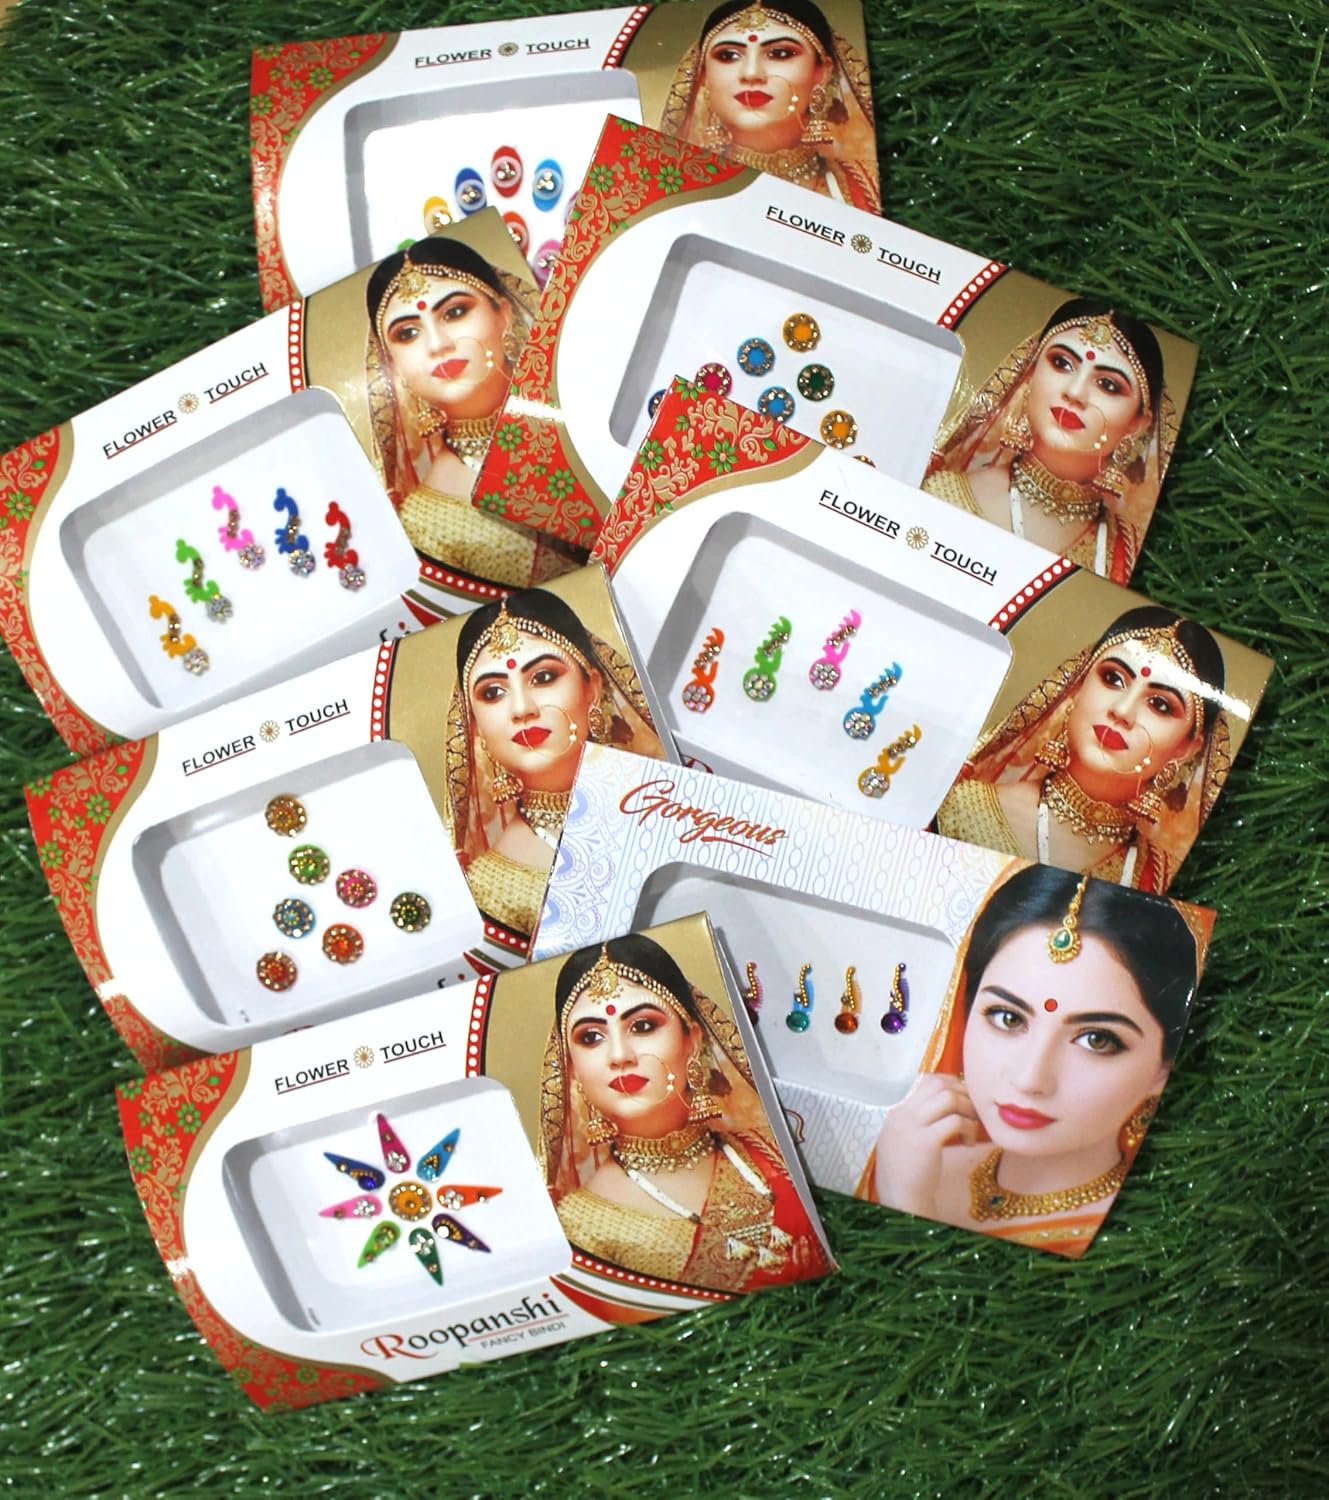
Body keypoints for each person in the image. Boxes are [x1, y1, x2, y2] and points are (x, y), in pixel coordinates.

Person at [861, 864, 1203, 1258]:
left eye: (1096, 1040)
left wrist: (905, 1202)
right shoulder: (913, 1160)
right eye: (1007, 1018)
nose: (1029, 1079)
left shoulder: (1145, 1242)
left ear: (1163, 1068)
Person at [540, 935, 830, 1291]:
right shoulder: (580, 1228)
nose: (619, 1055)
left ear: (692, 1039)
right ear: (570, 1066)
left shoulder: (772, 1148)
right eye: (591, 1037)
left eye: (642, 1026)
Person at [936, 608, 1231, 891]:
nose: (1122, 711)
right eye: (1113, 679)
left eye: (1159, 705)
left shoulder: (1159, 877)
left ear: (1187, 748)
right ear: (1077, 686)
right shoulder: (963, 808)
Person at [443, 590, 663, 937]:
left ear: (592, 687)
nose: (522, 708)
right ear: (475, 724)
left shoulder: (668, 805)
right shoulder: (488, 889)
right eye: (493, 692)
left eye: (543, 677)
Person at [365, 237, 573, 592]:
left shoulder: (576, 410)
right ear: (392, 365)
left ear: (504, 313)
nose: (438, 344)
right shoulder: (423, 522)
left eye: (454, 312)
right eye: (408, 333)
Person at [923, 299, 1177, 581]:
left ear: (1138, 424)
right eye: (1062, 363)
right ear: (1030, 374)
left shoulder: (1124, 553)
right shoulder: (940, 494)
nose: (1075, 392)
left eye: (1108, 384)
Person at [660, 1, 881, 212]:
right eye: (728, 55)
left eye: (780, 53)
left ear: (822, 72)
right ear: (703, 76)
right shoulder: (677, 188)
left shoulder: (866, 184)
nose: (751, 73)